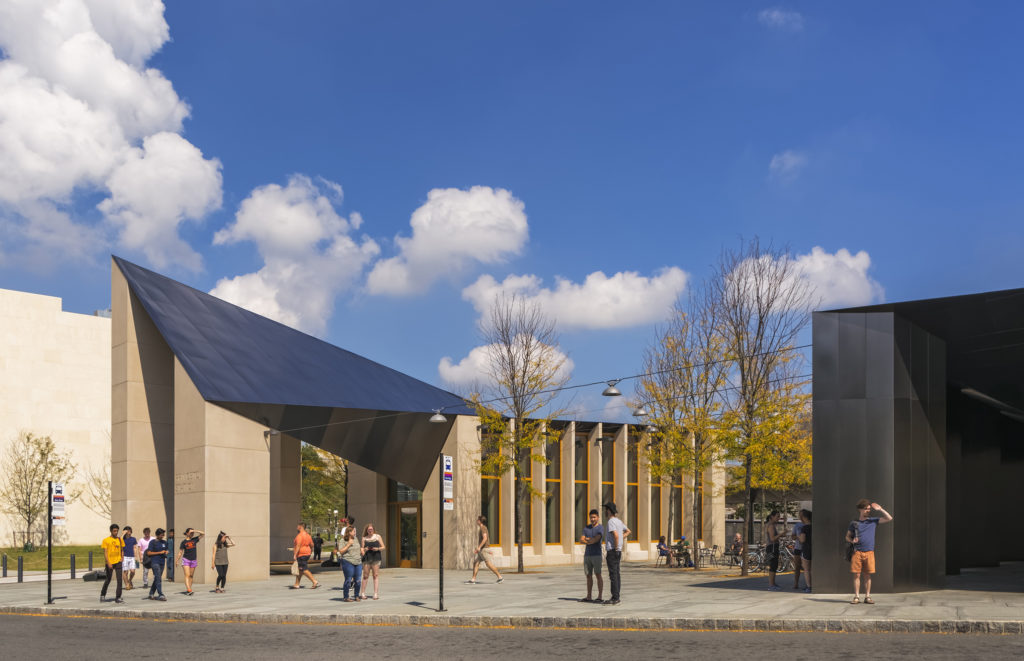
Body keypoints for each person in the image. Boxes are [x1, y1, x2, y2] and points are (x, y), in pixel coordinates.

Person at [847, 500, 893, 604]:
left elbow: (889, 518)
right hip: (857, 552)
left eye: (869, 509)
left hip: (869, 552)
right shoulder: (854, 523)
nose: (868, 510)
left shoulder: (873, 521)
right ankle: (856, 597)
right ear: (860, 509)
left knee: (867, 575)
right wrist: (852, 540)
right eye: (866, 509)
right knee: (856, 575)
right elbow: (847, 536)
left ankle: (867, 597)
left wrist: (880, 509)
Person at [603, 502, 629, 605]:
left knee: (613, 575)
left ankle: (615, 597)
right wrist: (619, 546)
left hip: (613, 551)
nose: (605, 512)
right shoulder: (619, 521)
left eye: (606, 510)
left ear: (609, 511)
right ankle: (616, 596)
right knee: (617, 574)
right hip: (618, 551)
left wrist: (615, 547)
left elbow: (616, 535)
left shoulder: (611, 522)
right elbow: (628, 531)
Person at [467, 515, 503, 584]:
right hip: (482, 550)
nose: (477, 521)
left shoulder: (483, 528)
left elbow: (485, 538)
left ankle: (500, 577)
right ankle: (473, 579)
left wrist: (479, 547)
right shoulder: (482, 528)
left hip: (484, 549)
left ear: (480, 521)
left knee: (488, 564)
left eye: (478, 520)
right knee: (476, 563)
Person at [579, 509, 604, 601]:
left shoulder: (600, 528)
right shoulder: (586, 528)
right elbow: (581, 540)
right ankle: (589, 596)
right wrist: (589, 540)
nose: (592, 519)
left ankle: (600, 596)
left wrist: (588, 540)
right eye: (591, 517)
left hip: (596, 555)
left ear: (598, 517)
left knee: (598, 574)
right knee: (588, 575)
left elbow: (596, 539)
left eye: (594, 517)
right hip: (587, 555)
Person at [174, 527, 204, 595]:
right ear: (187, 533)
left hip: (193, 560)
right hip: (186, 559)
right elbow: (180, 552)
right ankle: (189, 589)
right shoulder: (183, 542)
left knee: (191, 575)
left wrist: (195, 530)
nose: (192, 534)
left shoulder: (194, 540)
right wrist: (177, 560)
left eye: (192, 533)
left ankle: (189, 589)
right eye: (190, 533)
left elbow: (203, 534)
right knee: (187, 575)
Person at [100, 523, 125, 604]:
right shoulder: (106, 540)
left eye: (117, 531)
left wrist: (122, 557)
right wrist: (108, 562)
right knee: (108, 579)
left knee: (119, 580)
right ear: (111, 531)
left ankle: (118, 597)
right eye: (114, 531)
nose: (116, 532)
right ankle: (102, 594)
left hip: (118, 562)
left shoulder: (120, 540)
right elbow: (105, 552)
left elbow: (122, 549)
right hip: (110, 562)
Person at [291, 522, 320, 589]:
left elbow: (298, 545)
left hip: (301, 554)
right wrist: (310, 550)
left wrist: (295, 554)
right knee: (300, 569)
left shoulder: (299, 536)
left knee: (304, 569)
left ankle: (314, 581)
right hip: (307, 553)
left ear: (300, 527)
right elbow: (312, 545)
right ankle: (297, 584)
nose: (297, 527)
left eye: (297, 526)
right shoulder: (308, 535)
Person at [360, 523, 385, 600]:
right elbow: (362, 550)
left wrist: (377, 549)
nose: (370, 530)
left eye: (371, 529)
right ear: (366, 530)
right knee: (365, 576)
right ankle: (363, 593)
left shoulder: (378, 536)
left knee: (375, 575)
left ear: (373, 529)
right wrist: (365, 549)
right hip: (367, 558)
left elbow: (383, 547)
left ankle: (375, 594)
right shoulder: (364, 538)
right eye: (368, 529)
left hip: (376, 558)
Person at [339, 527, 362, 601]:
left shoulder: (356, 539)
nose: (355, 532)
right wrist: (348, 544)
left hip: (358, 562)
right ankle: (346, 596)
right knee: (348, 580)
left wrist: (362, 550)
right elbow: (341, 551)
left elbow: (358, 548)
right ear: (349, 532)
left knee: (358, 580)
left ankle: (356, 595)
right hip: (348, 561)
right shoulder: (343, 540)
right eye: (353, 531)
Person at [146, 528, 169, 601]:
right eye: (161, 535)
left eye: (163, 535)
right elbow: (148, 553)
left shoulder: (165, 542)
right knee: (158, 578)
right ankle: (161, 594)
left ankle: (151, 593)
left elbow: (167, 549)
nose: (163, 536)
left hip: (162, 562)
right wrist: (159, 552)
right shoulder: (153, 542)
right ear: (157, 535)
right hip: (155, 562)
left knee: (157, 578)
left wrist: (166, 552)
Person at [765, 510, 783, 591]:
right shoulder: (771, 526)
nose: (779, 518)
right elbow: (772, 539)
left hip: (772, 547)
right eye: (777, 516)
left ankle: (773, 583)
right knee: (773, 565)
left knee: (774, 565)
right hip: (772, 547)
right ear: (772, 516)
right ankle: (771, 585)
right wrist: (781, 534)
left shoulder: (771, 525)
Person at [798, 510, 812, 594]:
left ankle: (809, 586)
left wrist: (798, 537)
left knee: (806, 569)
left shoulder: (804, 527)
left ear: (803, 517)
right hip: (814, 549)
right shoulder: (814, 526)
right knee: (813, 569)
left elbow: (802, 540)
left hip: (806, 549)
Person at [121, 526, 139, 590]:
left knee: (133, 571)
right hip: (124, 557)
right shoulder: (122, 539)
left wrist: (136, 556)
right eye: (127, 531)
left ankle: (129, 580)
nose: (129, 532)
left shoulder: (133, 539)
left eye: (130, 531)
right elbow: (119, 541)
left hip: (132, 557)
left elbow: (135, 547)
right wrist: (123, 534)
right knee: (125, 572)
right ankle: (127, 584)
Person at [791, 513, 805, 590]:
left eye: (802, 515)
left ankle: (808, 584)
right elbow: (792, 536)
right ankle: (796, 583)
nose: (801, 517)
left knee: (807, 568)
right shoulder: (797, 525)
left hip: (806, 548)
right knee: (797, 566)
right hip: (798, 548)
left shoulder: (809, 525)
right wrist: (797, 537)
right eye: (800, 515)